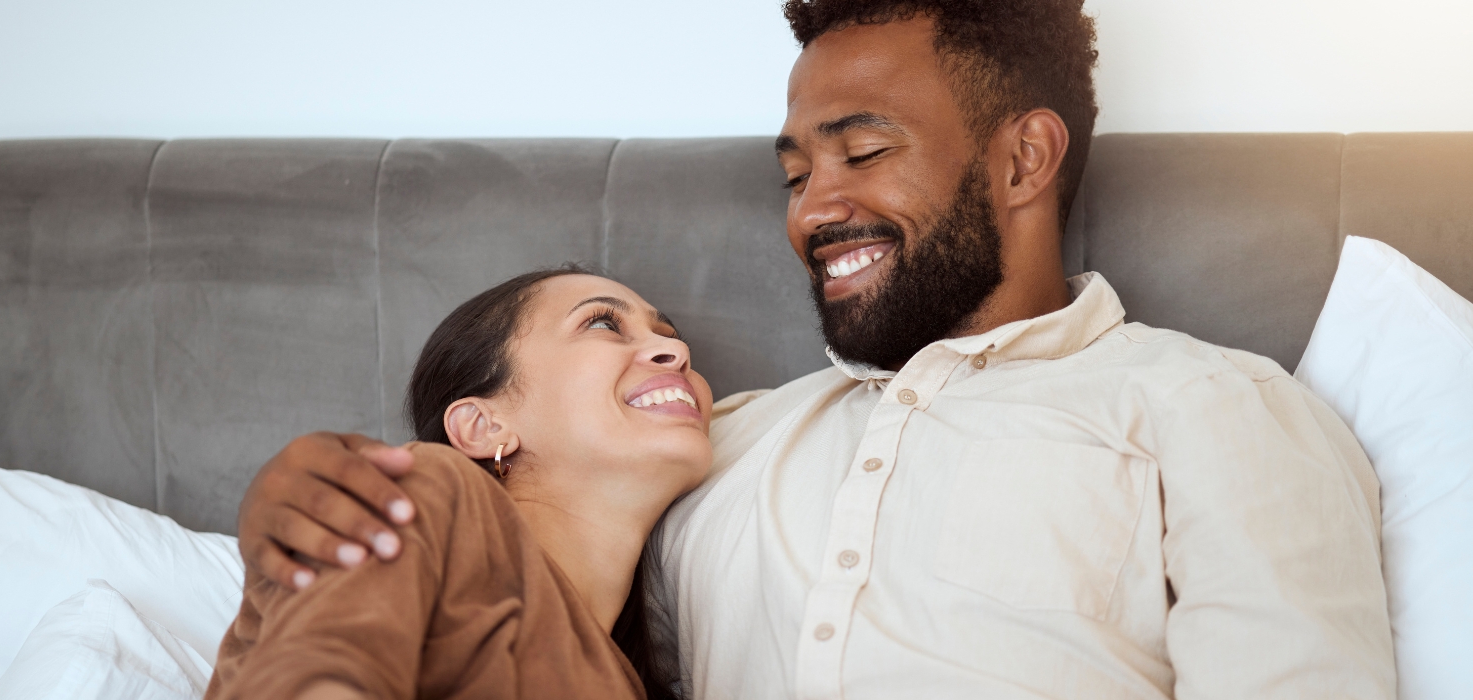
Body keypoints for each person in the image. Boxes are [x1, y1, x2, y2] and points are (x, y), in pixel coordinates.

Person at [232, 1, 1396, 698]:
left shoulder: (1213, 405)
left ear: (1024, 159)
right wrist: (300, 502)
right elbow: (497, 558)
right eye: (796, 173)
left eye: (861, 151)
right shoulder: (717, 439)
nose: (809, 211)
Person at [208, 267, 712, 699]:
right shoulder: (425, 492)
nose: (675, 348)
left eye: (668, 332)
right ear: (482, 425)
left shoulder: (624, 681)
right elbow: (317, 672)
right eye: (603, 322)